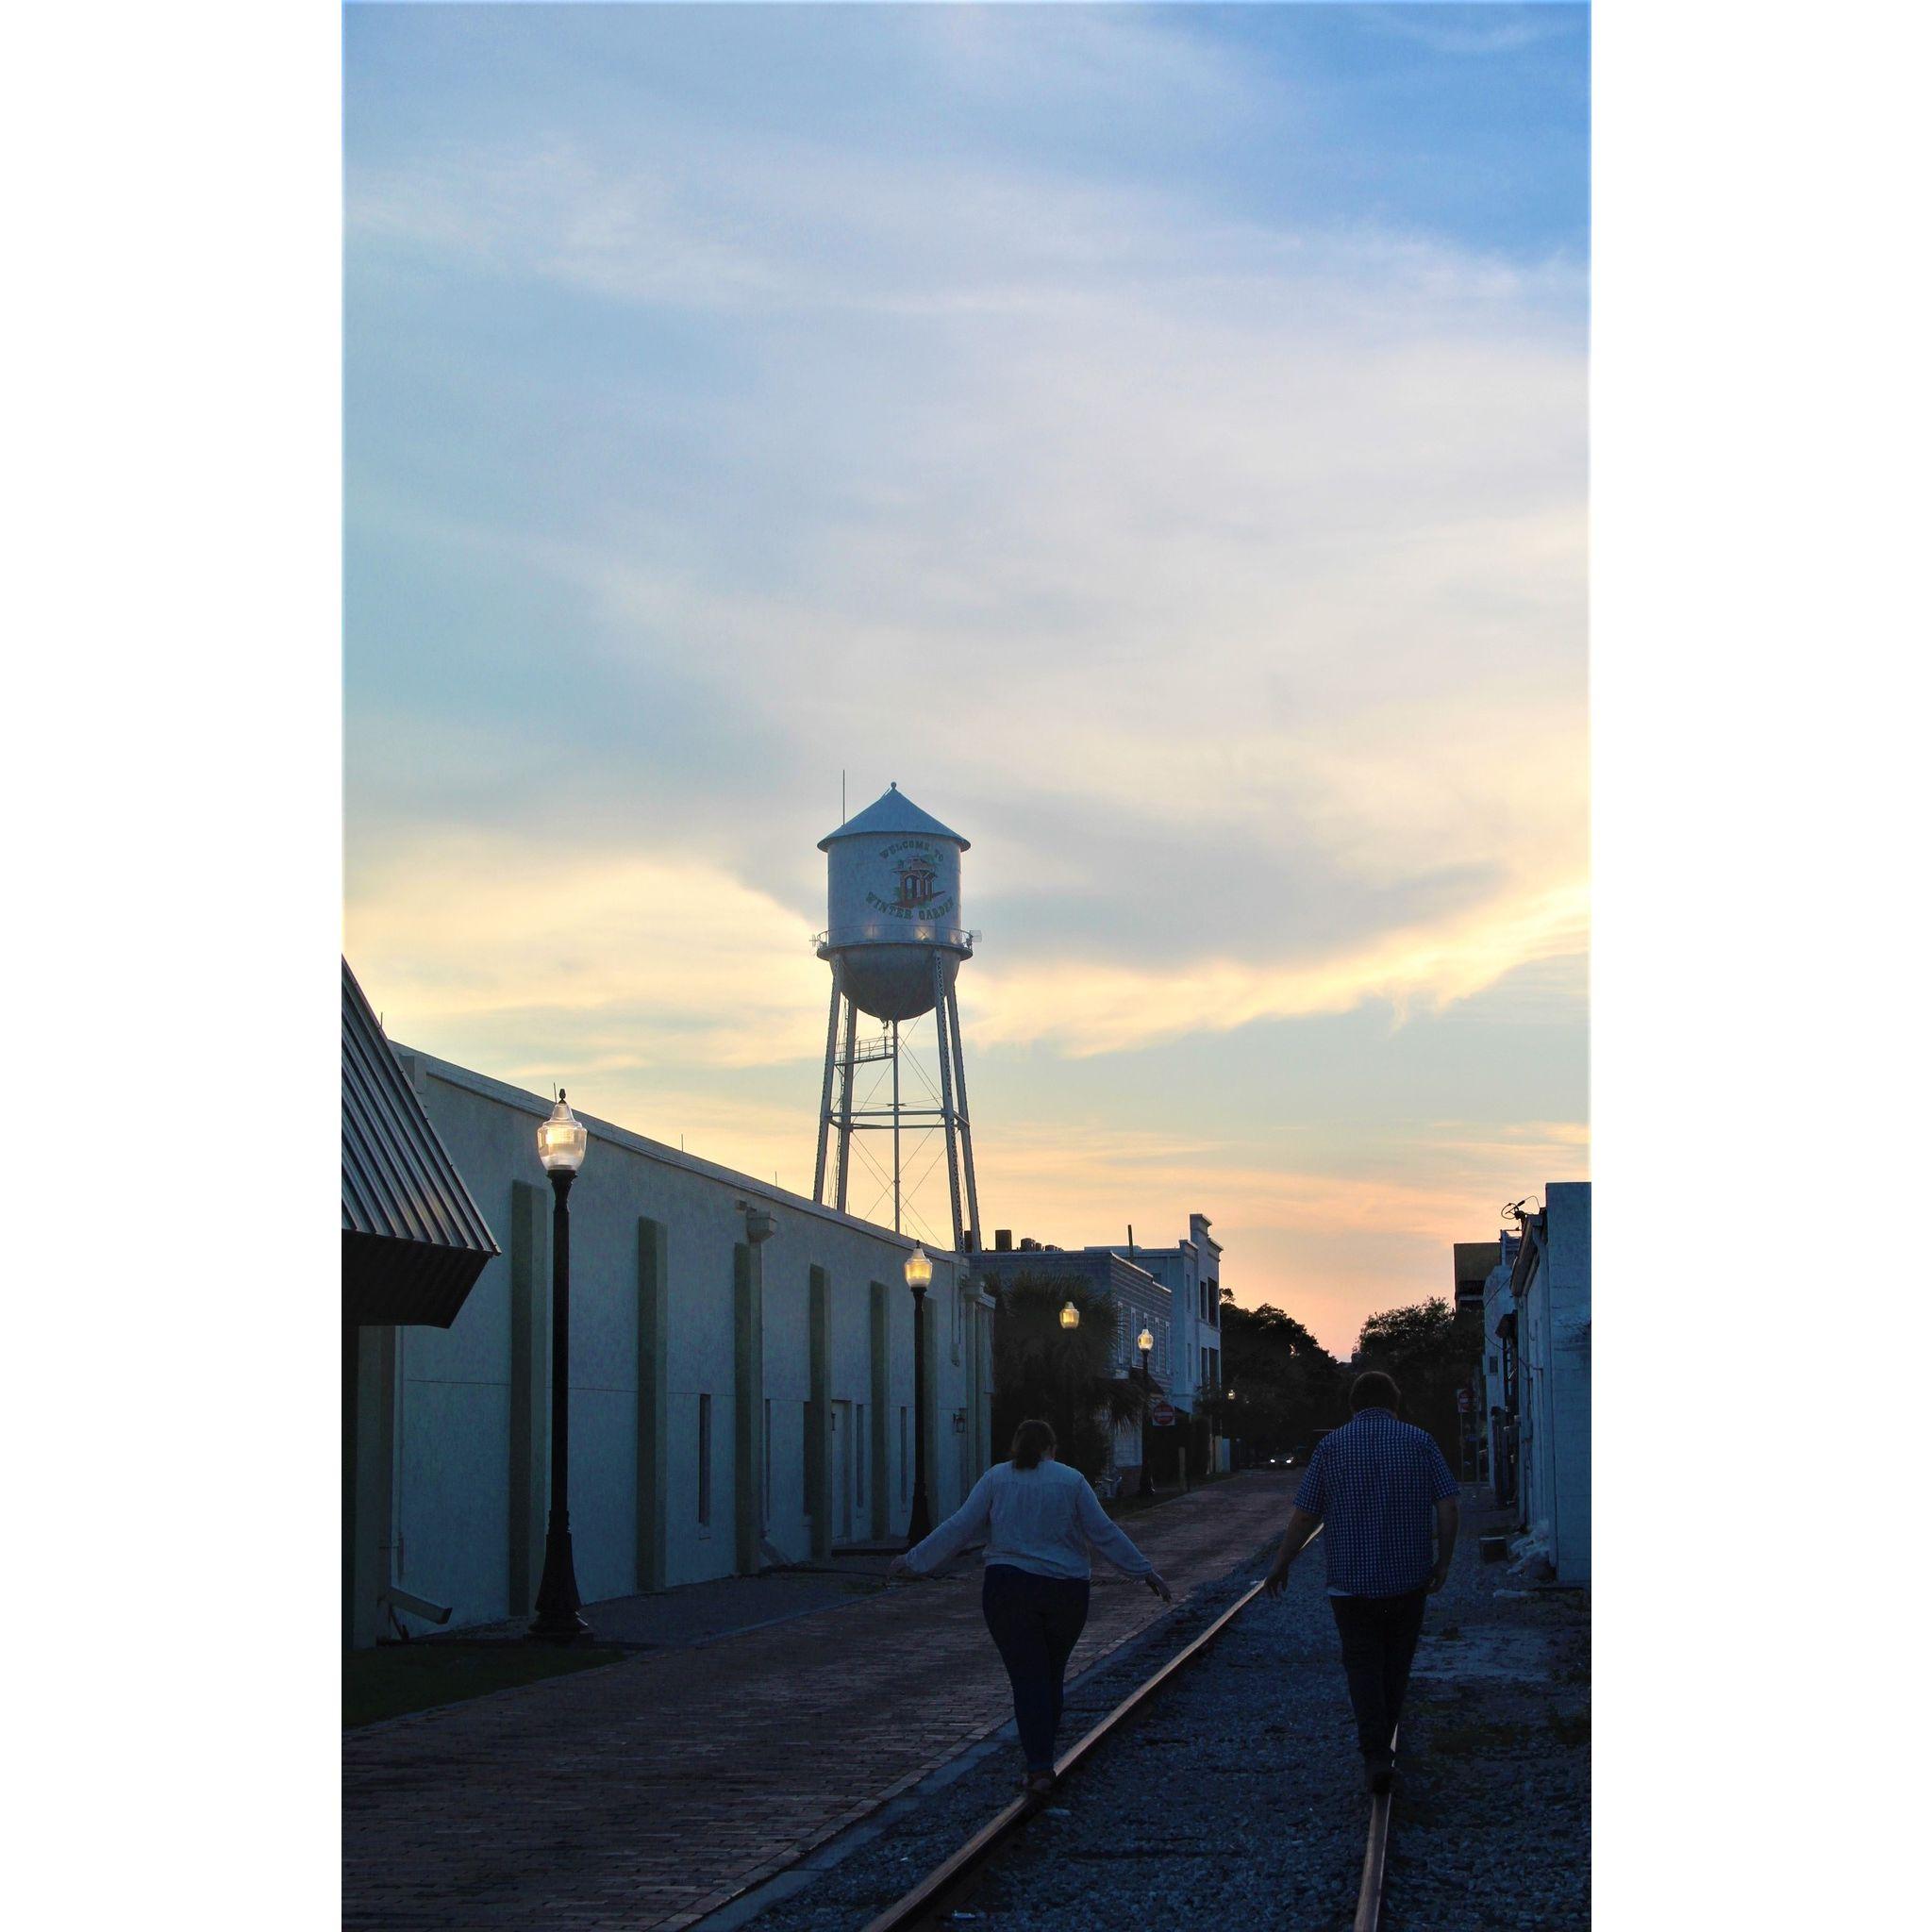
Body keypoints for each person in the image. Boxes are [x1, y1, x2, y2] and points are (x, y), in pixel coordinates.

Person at [889, 1418, 1173, 1796]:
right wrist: (1144, 1571)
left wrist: (913, 1561)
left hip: (1008, 1590)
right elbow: (1103, 1532)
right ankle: (1041, 1761)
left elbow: (960, 1527)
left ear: (1017, 1447)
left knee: (1028, 1678)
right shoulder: (1071, 1481)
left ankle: (1039, 1765)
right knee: (1051, 1675)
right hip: (1066, 1593)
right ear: (1051, 1448)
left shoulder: (996, 1479)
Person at [1262, 1370, 1459, 1794]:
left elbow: (1304, 1515)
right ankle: (1382, 1745)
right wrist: (1443, 1561)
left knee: (1362, 1664)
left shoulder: (1331, 1447)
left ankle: (1375, 1754)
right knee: (1396, 1664)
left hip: (1350, 1583)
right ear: (1395, 1401)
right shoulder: (1420, 1442)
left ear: (1353, 1405)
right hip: (1408, 1579)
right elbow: (1447, 1504)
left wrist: (1282, 1563)